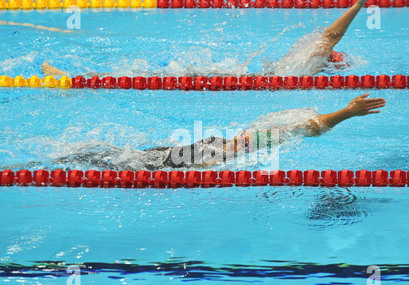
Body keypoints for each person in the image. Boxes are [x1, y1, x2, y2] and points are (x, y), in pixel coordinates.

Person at [54, 92, 385, 170]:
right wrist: (347, 113)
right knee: (92, 159)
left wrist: (346, 113)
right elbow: (310, 129)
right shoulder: (243, 145)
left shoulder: (243, 146)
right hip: (167, 160)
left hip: (169, 160)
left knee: (92, 158)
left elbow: (309, 129)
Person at [40, 0, 368, 77]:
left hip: (240, 76)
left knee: (162, 74)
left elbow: (331, 34)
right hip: (243, 76)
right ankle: (86, 78)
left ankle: (84, 78)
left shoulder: (308, 63)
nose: (337, 52)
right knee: (163, 74)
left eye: (338, 55)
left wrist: (359, 4)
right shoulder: (302, 69)